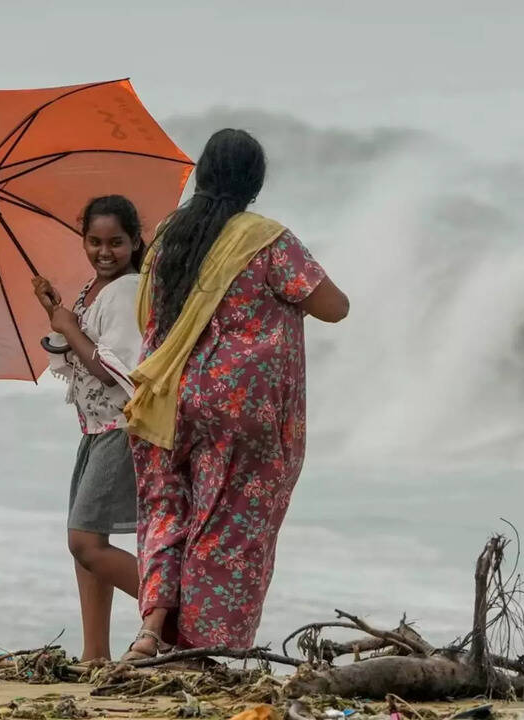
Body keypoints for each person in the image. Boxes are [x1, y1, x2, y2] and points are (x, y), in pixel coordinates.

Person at [122, 129, 349, 660]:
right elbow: (334, 306)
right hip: (240, 407)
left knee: (167, 512)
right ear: (254, 181)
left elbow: (148, 315)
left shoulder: (167, 237)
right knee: (227, 524)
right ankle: (201, 651)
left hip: (166, 398)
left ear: (202, 173)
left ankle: (151, 633)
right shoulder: (266, 239)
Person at [32, 195, 145, 662]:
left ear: (136, 241)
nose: (104, 251)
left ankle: (179, 612)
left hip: (122, 428)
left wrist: (69, 327)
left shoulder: (129, 289)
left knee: (84, 540)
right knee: (88, 545)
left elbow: (112, 368)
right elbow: (71, 358)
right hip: (95, 430)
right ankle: (95, 653)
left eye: (116, 242)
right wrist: (56, 313)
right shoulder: (92, 290)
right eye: (94, 241)